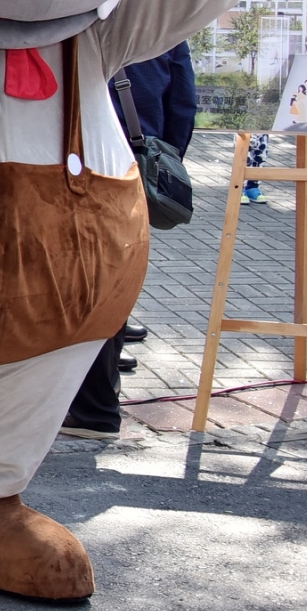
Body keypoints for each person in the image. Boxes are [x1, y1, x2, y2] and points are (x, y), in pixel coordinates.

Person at [62, 41, 199, 437]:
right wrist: (164, 160)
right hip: (134, 167)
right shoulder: (165, 27)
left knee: (84, 283)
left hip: (80, 166)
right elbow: (183, 105)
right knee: (115, 276)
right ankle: (100, 387)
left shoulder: (82, 19)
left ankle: (95, 408)